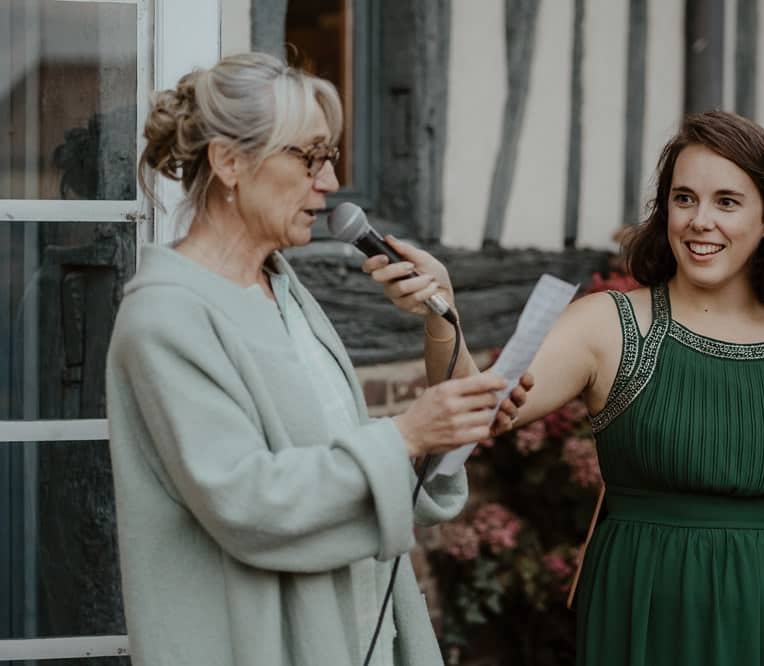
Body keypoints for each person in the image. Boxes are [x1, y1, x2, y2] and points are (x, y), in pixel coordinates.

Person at [365, 110, 764, 665]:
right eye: (683, 198)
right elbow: (473, 407)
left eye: (727, 201)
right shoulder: (609, 324)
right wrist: (441, 311)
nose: (700, 221)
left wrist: (747, 563)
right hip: (648, 607)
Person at [106, 52, 528, 666]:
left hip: (361, 636)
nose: (330, 184)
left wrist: (442, 329)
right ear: (229, 161)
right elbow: (249, 504)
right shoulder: (165, 318)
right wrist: (407, 434)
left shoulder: (282, 290)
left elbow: (358, 473)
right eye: (309, 157)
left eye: (328, 158)